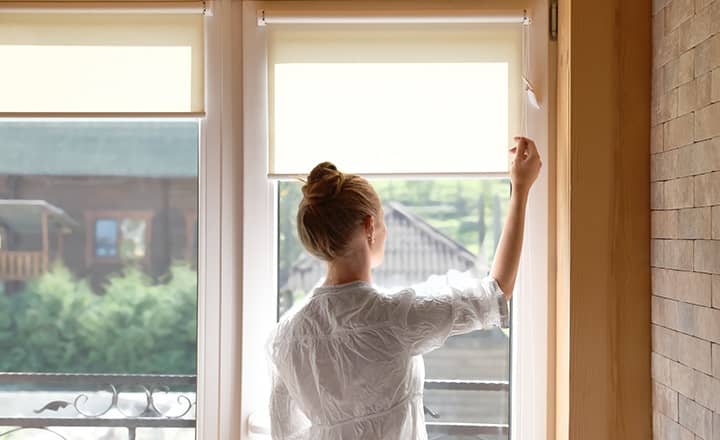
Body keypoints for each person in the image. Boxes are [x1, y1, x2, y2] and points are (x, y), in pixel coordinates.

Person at [267, 137, 542, 439]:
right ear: (370, 227)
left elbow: (285, 432)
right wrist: (521, 189)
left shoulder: (286, 336)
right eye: (383, 222)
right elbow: (496, 294)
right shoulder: (392, 319)